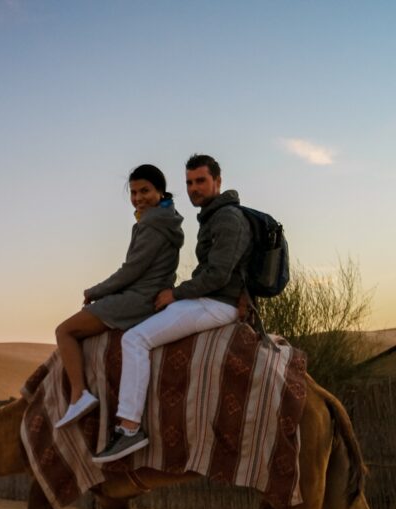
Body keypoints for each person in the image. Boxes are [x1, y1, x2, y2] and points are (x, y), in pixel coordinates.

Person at [93, 154, 251, 463]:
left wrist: (175, 294)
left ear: (218, 181)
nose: (194, 188)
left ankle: (129, 428)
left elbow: (218, 275)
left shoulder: (228, 218)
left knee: (134, 339)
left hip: (219, 304)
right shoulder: (212, 216)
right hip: (212, 299)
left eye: (201, 181)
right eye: (190, 182)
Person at [53, 164, 184, 428]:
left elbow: (131, 270)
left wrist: (95, 291)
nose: (138, 198)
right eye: (134, 193)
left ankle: (79, 395)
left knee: (64, 331)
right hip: (148, 291)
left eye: (145, 191)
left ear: (160, 190)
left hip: (139, 298)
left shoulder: (152, 224)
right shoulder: (166, 218)